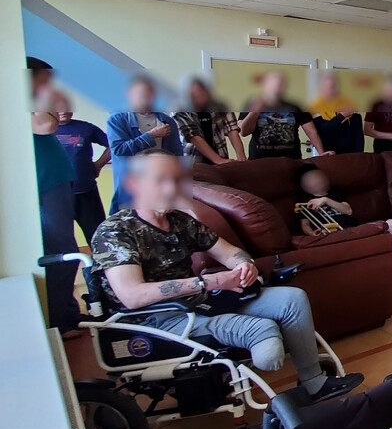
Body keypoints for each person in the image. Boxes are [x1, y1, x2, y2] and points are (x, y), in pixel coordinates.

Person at [90, 149, 363, 401]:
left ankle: (314, 383)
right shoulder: (115, 231)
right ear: (134, 184)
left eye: (176, 179)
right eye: (161, 180)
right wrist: (211, 281)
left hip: (196, 304)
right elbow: (132, 296)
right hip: (157, 319)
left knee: (292, 299)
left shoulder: (180, 221)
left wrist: (244, 266)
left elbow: (230, 252)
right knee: (265, 341)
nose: (172, 188)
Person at [30, 57, 81, 338]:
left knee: (63, 248)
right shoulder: (23, 103)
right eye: (44, 80)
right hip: (43, 184)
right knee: (61, 250)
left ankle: (65, 314)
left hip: (56, 181)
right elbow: (47, 125)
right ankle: (60, 320)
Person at [107, 75, 183, 213]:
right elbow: (119, 150)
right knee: (126, 221)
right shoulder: (117, 120)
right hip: (130, 187)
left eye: (149, 93)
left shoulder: (167, 120)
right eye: (141, 93)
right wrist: (151, 136)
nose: (146, 97)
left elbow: (177, 154)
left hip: (162, 185)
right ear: (130, 94)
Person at [239, 71, 332, 159]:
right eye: (273, 84)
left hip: (291, 161)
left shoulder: (295, 107)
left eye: (280, 84)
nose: (276, 88)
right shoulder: (251, 104)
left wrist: (321, 153)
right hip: (259, 162)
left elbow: (311, 131)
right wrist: (255, 112)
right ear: (265, 85)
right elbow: (243, 132)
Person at [296, 164, 392, 236]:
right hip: (332, 233)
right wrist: (311, 233)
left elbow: (348, 211)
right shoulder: (304, 200)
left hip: (354, 228)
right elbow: (305, 224)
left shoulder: (335, 192)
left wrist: (326, 200)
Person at [55, 107, 111, 242]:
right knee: (60, 242)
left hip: (86, 193)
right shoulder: (41, 132)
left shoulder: (86, 128)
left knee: (98, 237)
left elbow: (113, 145)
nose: (63, 111)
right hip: (56, 196)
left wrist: (99, 164)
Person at [174, 75, 246, 164]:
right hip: (193, 161)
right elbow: (194, 136)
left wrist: (241, 157)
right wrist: (218, 160)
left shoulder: (219, 106)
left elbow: (232, 129)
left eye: (201, 92)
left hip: (220, 155)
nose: (199, 96)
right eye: (194, 95)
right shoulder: (180, 109)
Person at [308, 71, 363, 155]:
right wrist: (342, 115)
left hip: (350, 155)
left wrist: (359, 155)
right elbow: (322, 131)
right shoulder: (315, 106)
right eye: (328, 86)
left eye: (334, 86)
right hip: (329, 154)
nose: (332, 90)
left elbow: (358, 135)